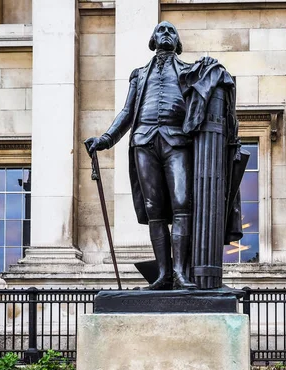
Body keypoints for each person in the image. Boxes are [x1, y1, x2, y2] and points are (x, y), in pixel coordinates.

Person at [85, 21, 217, 290]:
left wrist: (211, 65)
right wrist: (106, 139)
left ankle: (180, 273)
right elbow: (126, 112)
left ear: (177, 42)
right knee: (154, 210)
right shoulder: (139, 75)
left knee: (182, 205)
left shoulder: (190, 71)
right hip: (144, 141)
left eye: (171, 31)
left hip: (176, 141)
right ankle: (163, 276)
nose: (166, 33)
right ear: (153, 40)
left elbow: (212, 83)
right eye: (161, 30)